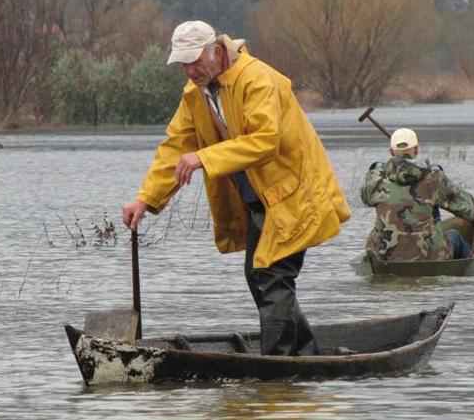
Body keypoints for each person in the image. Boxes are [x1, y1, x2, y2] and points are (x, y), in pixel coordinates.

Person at [121, 20, 351, 356]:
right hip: (260, 201)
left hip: (295, 195)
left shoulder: (257, 79)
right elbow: (175, 147)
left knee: (271, 277)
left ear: (216, 51)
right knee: (258, 276)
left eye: (194, 61)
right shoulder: (196, 93)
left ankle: (277, 366)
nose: (189, 70)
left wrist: (203, 157)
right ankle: (304, 354)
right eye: (182, 63)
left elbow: (265, 141)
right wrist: (145, 199)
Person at [361, 128, 474, 262]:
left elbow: (365, 199)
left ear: (391, 152)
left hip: (384, 254)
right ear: (416, 150)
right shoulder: (434, 177)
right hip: (430, 255)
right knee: (455, 237)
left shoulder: (375, 179)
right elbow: (471, 211)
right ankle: (471, 262)